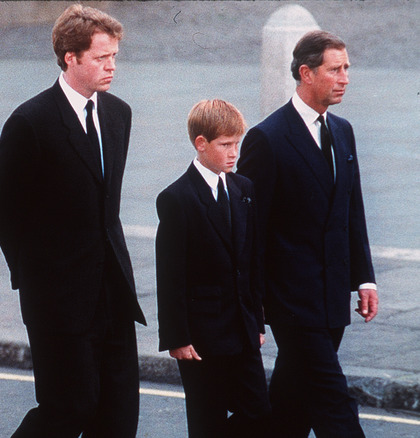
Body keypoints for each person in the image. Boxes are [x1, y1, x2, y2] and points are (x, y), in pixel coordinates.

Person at [0, 5, 146, 437]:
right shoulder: (30, 122)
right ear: (70, 57)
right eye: (101, 57)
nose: (111, 66)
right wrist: (37, 279)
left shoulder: (119, 115)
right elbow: (4, 210)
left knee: (118, 418)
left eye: (114, 55)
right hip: (57, 300)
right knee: (68, 409)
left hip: (113, 291)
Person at [237, 30, 378, 437]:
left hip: (332, 296)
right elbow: (249, 227)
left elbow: (352, 210)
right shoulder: (268, 138)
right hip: (290, 302)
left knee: (290, 406)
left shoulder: (343, 131)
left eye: (346, 68)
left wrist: (364, 278)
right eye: (335, 69)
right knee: (333, 399)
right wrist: (254, 302)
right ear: (306, 73)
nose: (345, 77)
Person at [156, 99, 271, 437]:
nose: (234, 152)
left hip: (242, 329)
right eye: (225, 145)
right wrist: (176, 337)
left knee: (259, 414)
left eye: (237, 143)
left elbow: (251, 261)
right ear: (201, 144)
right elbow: (170, 273)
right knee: (207, 421)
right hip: (201, 337)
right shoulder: (177, 198)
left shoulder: (242, 188)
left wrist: (257, 320)